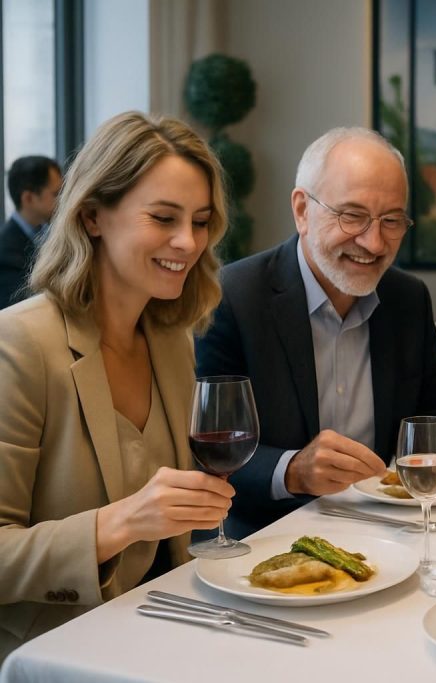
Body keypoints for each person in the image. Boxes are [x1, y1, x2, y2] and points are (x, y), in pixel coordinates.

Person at [0, 112, 235, 661]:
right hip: (57, 654)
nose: (188, 242)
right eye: (163, 217)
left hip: (165, 633)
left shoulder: (172, 340)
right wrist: (121, 522)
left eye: (200, 221)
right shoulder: (20, 344)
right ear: (91, 217)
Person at [195, 127, 436, 538]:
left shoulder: (407, 299)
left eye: (391, 220)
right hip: (264, 541)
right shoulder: (231, 296)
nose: (374, 243)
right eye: (352, 216)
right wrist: (292, 470)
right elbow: (205, 451)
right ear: (302, 210)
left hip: (392, 536)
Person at [1, 155, 62, 308]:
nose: (62, 200)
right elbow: (22, 308)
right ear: (28, 198)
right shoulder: (5, 252)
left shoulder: (49, 234)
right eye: (56, 194)